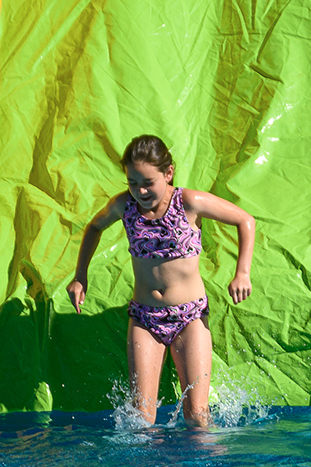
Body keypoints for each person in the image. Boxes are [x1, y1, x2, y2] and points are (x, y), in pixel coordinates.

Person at [67, 134, 255, 427]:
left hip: (189, 316)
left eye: (148, 182)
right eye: (132, 182)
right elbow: (94, 227)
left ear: (168, 173)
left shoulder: (189, 202)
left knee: (197, 415)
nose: (140, 190)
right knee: (141, 417)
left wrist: (242, 272)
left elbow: (245, 220)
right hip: (145, 318)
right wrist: (80, 276)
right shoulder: (124, 205)